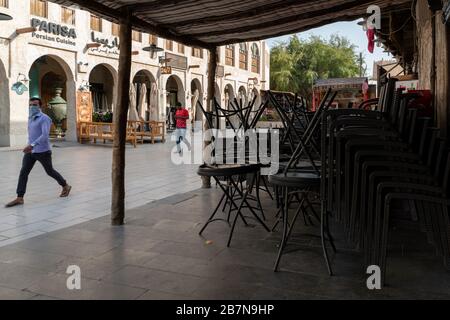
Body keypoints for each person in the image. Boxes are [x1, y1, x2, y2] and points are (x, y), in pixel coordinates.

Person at [5, 97, 72, 208]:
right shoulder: (31, 118)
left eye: (35, 105)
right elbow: (33, 134)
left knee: (49, 171)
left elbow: (45, 135)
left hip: (42, 151)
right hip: (31, 151)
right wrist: (29, 145)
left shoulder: (45, 118)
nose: (32, 107)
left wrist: (32, 145)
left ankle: (65, 185)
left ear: (40, 106)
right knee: (23, 172)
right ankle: (20, 197)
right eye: (30, 105)